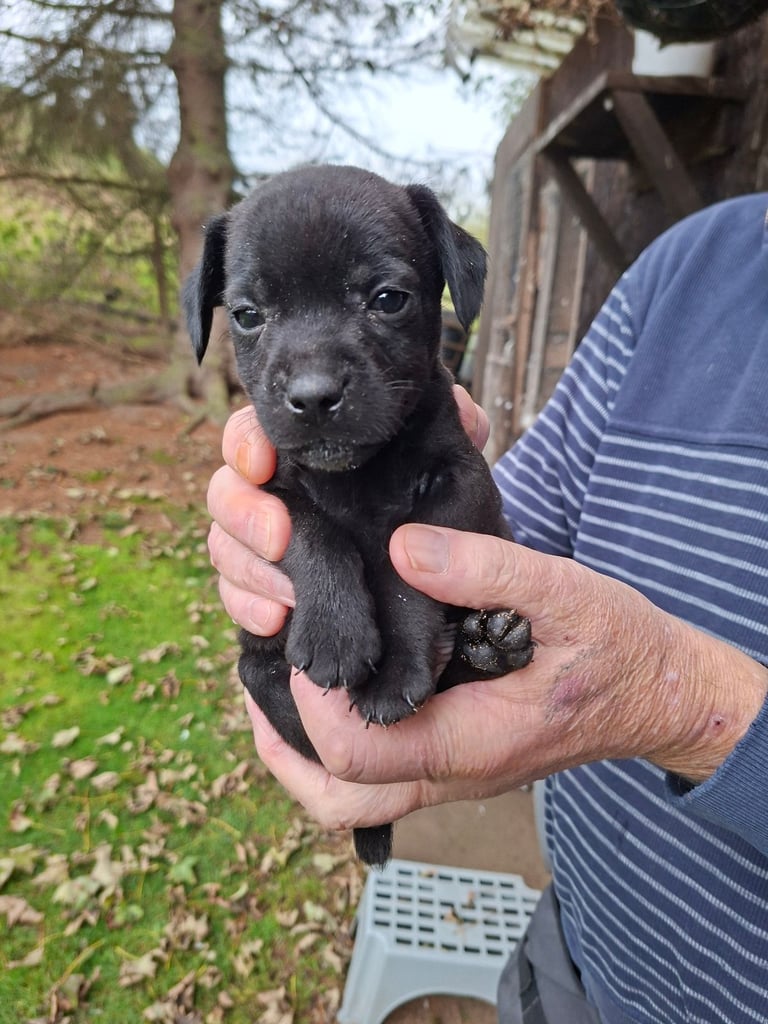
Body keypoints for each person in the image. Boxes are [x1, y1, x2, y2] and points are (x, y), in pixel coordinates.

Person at [206, 192, 768, 1023]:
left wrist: (680, 705)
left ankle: (458, 656)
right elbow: (511, 518)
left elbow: (463, 500)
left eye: (385, 299)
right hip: (571, 956)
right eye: (253, 316)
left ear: (449, 288)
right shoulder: (691, 264)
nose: (313, 374)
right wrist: (281, 552)